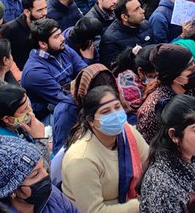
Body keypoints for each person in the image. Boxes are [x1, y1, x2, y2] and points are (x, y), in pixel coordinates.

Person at [60, 85, 148, 213]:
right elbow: (94, 210)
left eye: (117, 107)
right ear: (91, 121)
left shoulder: (127, 133)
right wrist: (141, 205)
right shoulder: (81, 159)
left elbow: (150, 162)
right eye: (106, 112)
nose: (116, 115)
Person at [135, 45, 195, 143]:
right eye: (190, 69)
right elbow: (147, 148)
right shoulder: (154, 107)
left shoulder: (194, 89)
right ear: (174, 76)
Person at [0, 125, 76, 213]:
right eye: (35, 175)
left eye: (43, 167)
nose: (46, 175)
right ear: (11, 191)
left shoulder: (52, 195)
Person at [21, 19, 88, 143]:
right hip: (47, 115)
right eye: (56, 36)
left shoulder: (63, 49)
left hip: (69, 97)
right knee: (69, 111)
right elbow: (64, 98)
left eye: (61, 34)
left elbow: (86, 73)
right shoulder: (35, 72)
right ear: (43, 44)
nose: (63, 38)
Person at [100, 0, 158, 72]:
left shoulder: (146, 25)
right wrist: (130, 55)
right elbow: (113, 68)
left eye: (140, 7)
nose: (142, 11)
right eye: (136, 10)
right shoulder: (110, 38)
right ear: (124, 17)